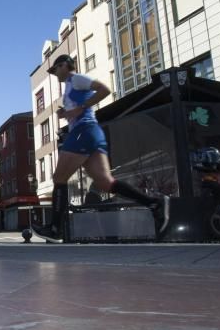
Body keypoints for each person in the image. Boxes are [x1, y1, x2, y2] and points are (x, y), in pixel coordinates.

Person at [31, 54, 170, 243]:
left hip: (83, 132)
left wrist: (79, 109)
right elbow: (79, 107)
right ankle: (154, 203)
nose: (54, 74)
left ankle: (56, 229)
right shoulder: (70, 86)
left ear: (65, 65)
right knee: (106, 183)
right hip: (90, 133)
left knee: (59, 178)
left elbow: (104, 89)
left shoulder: (77, 78)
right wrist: (67, 113)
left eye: (55, 69)